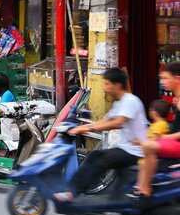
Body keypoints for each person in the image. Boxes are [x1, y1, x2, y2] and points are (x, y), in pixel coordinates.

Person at [53, 68, 148, 202]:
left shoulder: (130, 101)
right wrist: (83, 127)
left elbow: (118, 122)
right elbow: (108, 120)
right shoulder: (120, 102)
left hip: (135, 151)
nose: (105, 88)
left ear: (117, 85)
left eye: (107, 84)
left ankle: (72, 193)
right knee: (96, 156)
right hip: (126, 148)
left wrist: (90, 127)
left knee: (97, 157)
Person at [133, 63, 180, 200]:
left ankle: (145, 188)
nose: (162, 82)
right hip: (173, 140)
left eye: (165, 78)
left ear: (177, 78)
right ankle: (139, 186)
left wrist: (165, 137)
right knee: (143, 143)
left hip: (177, 143)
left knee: (148, 145)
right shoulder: (177, 99)